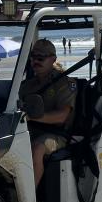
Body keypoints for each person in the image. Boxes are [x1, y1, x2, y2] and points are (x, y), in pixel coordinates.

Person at [19, 39, 76, 187]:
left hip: (57, 134)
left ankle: (30, 199)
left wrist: (33, 117)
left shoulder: (64, 83)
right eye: (33, 56)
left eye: (41, 57)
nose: (36, 60)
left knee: (37, 149)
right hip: (28, 130)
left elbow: (62, 116)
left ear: (53, 59)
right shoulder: (27, 85)